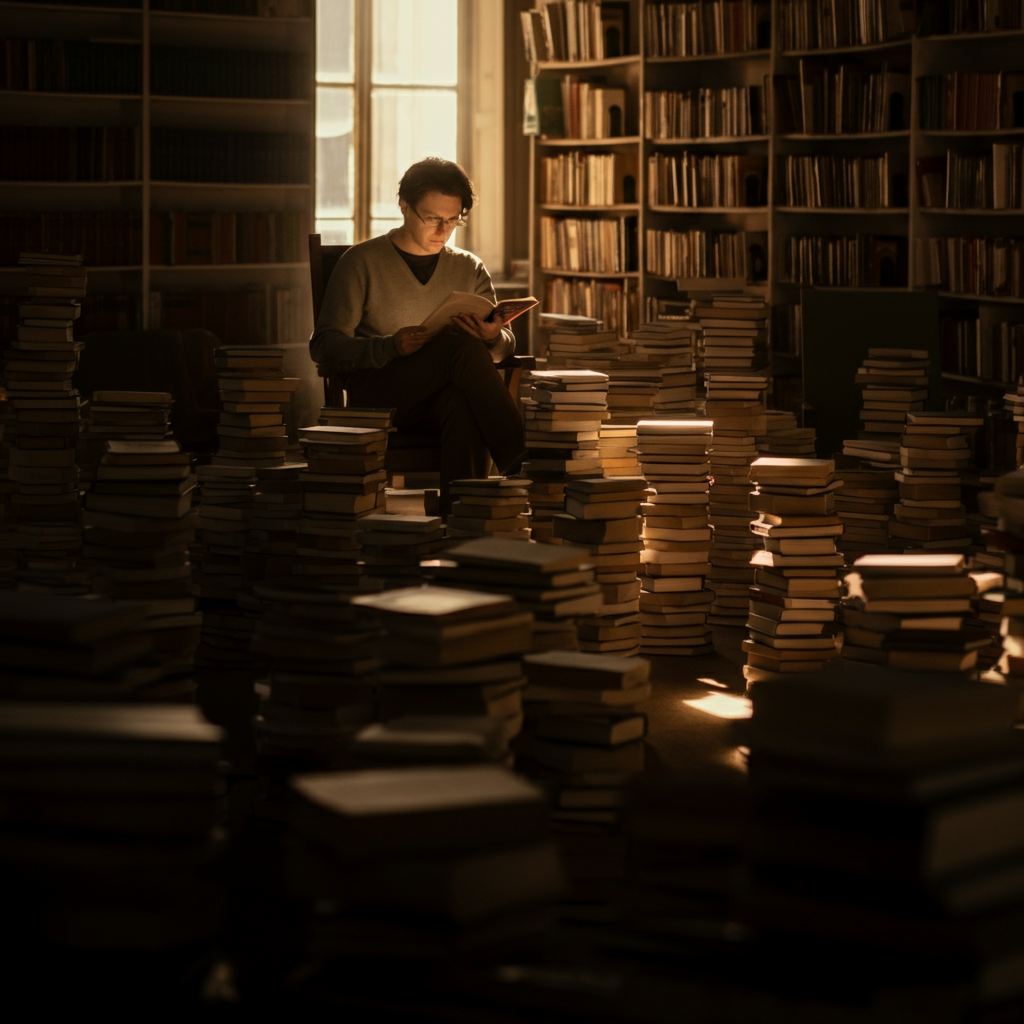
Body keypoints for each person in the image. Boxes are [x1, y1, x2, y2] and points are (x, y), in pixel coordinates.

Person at [308, 157, 525, 515]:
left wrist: (492, 336)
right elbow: (323, 346)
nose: (443, 229)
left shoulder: (468, 267)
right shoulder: (361, 262)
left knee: (461, 402)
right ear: (404, 206)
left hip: (439, 396)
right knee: (459, 347)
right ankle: (522, 462)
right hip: (379, 393)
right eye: (433, 218)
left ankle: (461, 519)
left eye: (453, 219)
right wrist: (389, 345)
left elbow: (506, 347)